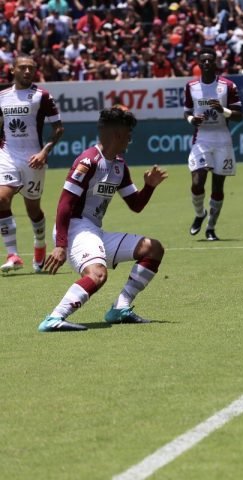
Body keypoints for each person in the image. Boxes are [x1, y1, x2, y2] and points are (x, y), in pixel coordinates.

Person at [38, 107, 168, 332]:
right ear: (118, 134)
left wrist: (149, 187)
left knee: (153, 249)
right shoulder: (88, 161)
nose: (130, 138)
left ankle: (120, 307)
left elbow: (135, 205)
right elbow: (64, 204)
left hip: (93, 231)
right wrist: (60, 245)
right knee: (97, 275)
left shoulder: (119, 165)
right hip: (75, 229)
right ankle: (54, 318)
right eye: (129, 133)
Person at [0, 55, 64, 274]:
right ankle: (13, 255)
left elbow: (58, 129)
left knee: (33, 210)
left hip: (33, 158)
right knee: (1, 199)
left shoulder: (42, 96)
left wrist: (44, 152)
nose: (27, 71)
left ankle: (40, 245)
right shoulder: (2, 96)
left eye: (31, 68)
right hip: (7, 155)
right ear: (13, 70)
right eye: (23, 68)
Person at [184, 46, 243, 241]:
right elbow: (187, 111)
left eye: (210, 60)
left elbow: (239, 116)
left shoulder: (227, 86)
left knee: (217, 187)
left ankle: (210, 228)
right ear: (199, 64)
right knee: (197, 182)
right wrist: (192, 120)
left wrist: (223, 110)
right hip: (202, 139)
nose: (207, 63)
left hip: (222, 140)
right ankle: (200, 214)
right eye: (204, 60)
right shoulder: (191, 86)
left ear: (215, 62)